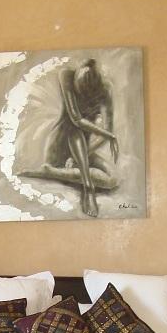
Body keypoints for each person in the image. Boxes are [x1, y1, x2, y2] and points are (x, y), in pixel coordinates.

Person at [24, 59, 120, 217]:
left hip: (82, 152)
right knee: (74, 127)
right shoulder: (66, 75)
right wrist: (109, 135)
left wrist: (101, 140)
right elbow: (76, 119)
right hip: (60, 146)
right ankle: (88, 186)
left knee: (113, 180)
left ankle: (50, 172)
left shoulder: (105, 89)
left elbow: (107, 128)